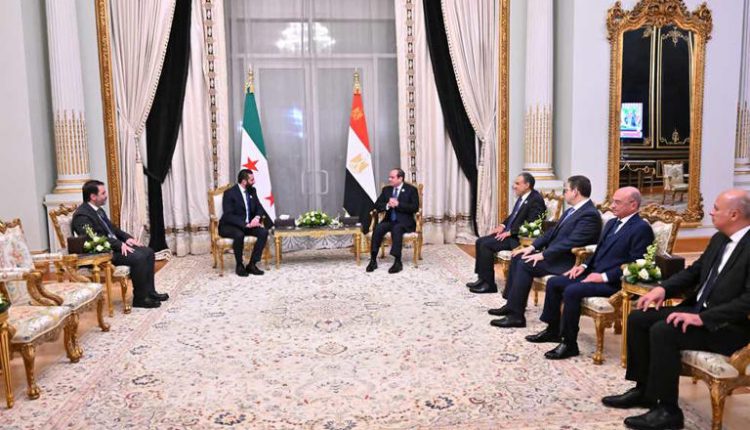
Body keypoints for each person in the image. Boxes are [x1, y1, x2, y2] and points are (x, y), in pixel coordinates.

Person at [601, 189, 750, 430]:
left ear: (734, 214)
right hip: (699, 310)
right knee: (639, 318)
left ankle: (669, 411)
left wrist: (703, 318)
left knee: (664, 331)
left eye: (716, 208)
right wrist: (662, 289)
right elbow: (693, 272)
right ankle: (644, 390)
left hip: (727, 326)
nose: (711, 212)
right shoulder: (720, 239)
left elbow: (747, 301)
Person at [526, 187, 653, 360]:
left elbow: (636, 264)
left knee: (572, 291)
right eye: (613, 201)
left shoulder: (641, 229)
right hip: (593, 273)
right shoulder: (612, 223)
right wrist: (583, 266)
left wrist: (603, 277)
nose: (612, 206)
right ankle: (553, 330)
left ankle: (569, 343)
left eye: (617, 202)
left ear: (633, 205)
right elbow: (598, 250)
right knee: (555, 282)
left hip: (614, 282)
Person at [489, 175, 602, 328]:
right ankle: (511, 306)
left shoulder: (589, 214)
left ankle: (516, 317)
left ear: (575, 192)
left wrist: (543, 254)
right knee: (518, 257)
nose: (564, 193)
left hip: (567, 261)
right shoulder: (572, 210)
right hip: (555, 256)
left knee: (524, 264)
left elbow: (571, 242)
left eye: (566, 190)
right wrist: (532, 247)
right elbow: (551, 232)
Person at [72, 180, 168, 309]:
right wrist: (119, 244)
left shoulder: (98, 210)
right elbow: (94, 238)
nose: (106, 195)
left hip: (111, 247)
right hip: (100, 254)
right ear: (93, 196)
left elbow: (113, 229)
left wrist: (127, 239)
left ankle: (150, 292)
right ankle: (140, 299)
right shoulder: (82, 216)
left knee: (148, 252)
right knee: (139, 257)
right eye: (103, 193)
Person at [466, 173, 546, 294]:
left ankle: (489, 285)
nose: (514, 186)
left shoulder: (536, 200)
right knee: (480, 241)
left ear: (527, 185)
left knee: (485, 245)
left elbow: (532, 223)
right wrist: (502, 226)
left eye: (517, 183)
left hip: (519, 239)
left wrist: (510, 232)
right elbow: (514, 216)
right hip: (510, 234)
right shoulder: (524, 196)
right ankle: (482, 278)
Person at [218, 169, 272, 277]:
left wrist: (256, 217)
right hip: (231, 226)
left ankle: (252, 264)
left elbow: (259, 207)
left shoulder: (252, 191)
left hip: (248, 225)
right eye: (251, 180)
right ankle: (239, 265)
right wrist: (245, 224)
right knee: (239, 234)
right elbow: (228, 215)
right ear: (244, 181)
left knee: (263, 232)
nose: (254, 181)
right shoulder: (229, 193)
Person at [366, 168, 419, 274]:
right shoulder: (387, 190)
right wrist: (387, 205)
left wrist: (398, 204)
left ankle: (397, 262)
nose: (389, 179)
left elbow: (415, 208)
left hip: (405, 222)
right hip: (389, 220)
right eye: (389, 177)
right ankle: (373, 260)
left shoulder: (411, 190)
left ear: (400, 178)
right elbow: (377, 205)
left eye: (392, 177)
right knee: (378, 228)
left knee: (397, 228)